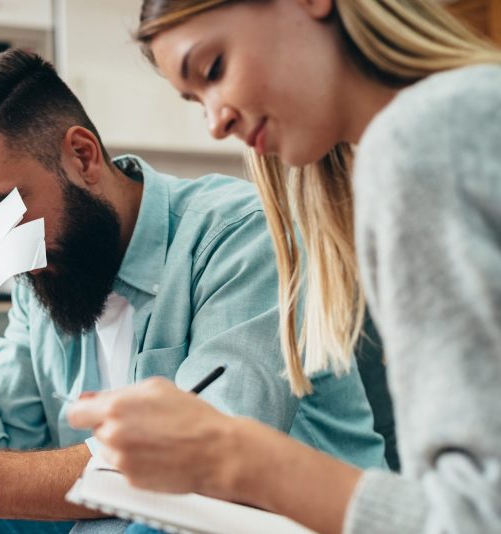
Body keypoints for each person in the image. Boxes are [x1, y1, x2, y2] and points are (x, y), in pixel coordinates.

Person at [0, 48, 390, 534]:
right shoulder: (49, 273)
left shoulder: (238, 234)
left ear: (82, 156)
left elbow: (200, 469)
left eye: (5, 210)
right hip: (124, 517)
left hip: (257, 518)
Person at [67, 1, 501, 533]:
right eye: (195, 99)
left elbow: (474, 519)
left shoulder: (418, 143)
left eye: (214, 69)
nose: (215, 122)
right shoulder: (465, 114)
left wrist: (231, 454)